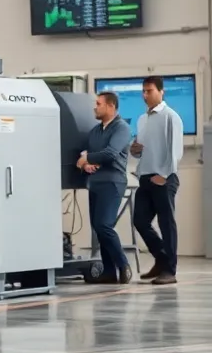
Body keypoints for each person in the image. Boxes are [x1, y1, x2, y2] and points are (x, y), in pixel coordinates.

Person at [131, 75, 183, 285]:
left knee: (166, 223)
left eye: (149, 91)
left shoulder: (171, 117)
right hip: (145, 177)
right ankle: (162, 259)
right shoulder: (142, 120)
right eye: (143, 91)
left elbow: (175, 150)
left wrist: (165, 175)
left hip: (164, 178)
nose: (145, 95)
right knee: (139, 220)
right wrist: (134, 151)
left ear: (161, 92)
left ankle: (169, 270)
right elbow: (140, 150)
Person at [78, 91, 132, 283]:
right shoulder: (95, 131)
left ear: (111, 106)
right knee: (98, 227)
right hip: (95, 183)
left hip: (112, 182)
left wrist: (88, 158)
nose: (95, 107)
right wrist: (86, 164)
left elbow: (110, 153)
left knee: (104, 225)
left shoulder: (122, 128)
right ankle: (109, 272)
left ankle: (123, 265)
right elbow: (87, 152)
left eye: (99, 104)